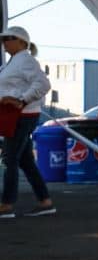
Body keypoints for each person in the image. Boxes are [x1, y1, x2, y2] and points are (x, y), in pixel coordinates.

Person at [0, 25, 54, 217]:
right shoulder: (14, 61)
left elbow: (43, 84)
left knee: (9, 158)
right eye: (3, 39)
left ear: (22, 42)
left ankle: (7, 204)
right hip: (17, 115)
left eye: (8, 38)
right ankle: (45, 201)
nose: (4, 42)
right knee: (25, 161)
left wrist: (21, 100)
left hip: (21, 116)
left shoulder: (25, 60)